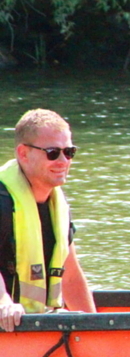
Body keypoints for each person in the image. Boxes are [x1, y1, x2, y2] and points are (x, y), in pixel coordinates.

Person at [0, 109, 97, 332]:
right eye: (53, 152)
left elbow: (70, 277)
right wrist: (3, 302)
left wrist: (98, 330)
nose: (63, 161)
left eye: (69, 152)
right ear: (23, 154)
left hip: (29, 330)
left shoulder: (57, 206)